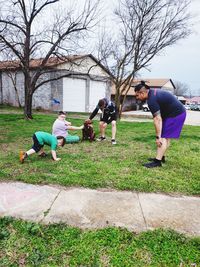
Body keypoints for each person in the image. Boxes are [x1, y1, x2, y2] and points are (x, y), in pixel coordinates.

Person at [134, 81, 186, 168]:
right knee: (165, 136)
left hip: (176, 114)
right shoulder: (152, 94)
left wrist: (158, 137)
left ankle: (157, 162)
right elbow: (159, 118)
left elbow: (157, 119)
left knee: (163, 137)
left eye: (137, 95)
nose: (137, 98)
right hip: (173, 113)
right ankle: (161, 157)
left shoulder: (151, 100)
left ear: (142, 93)